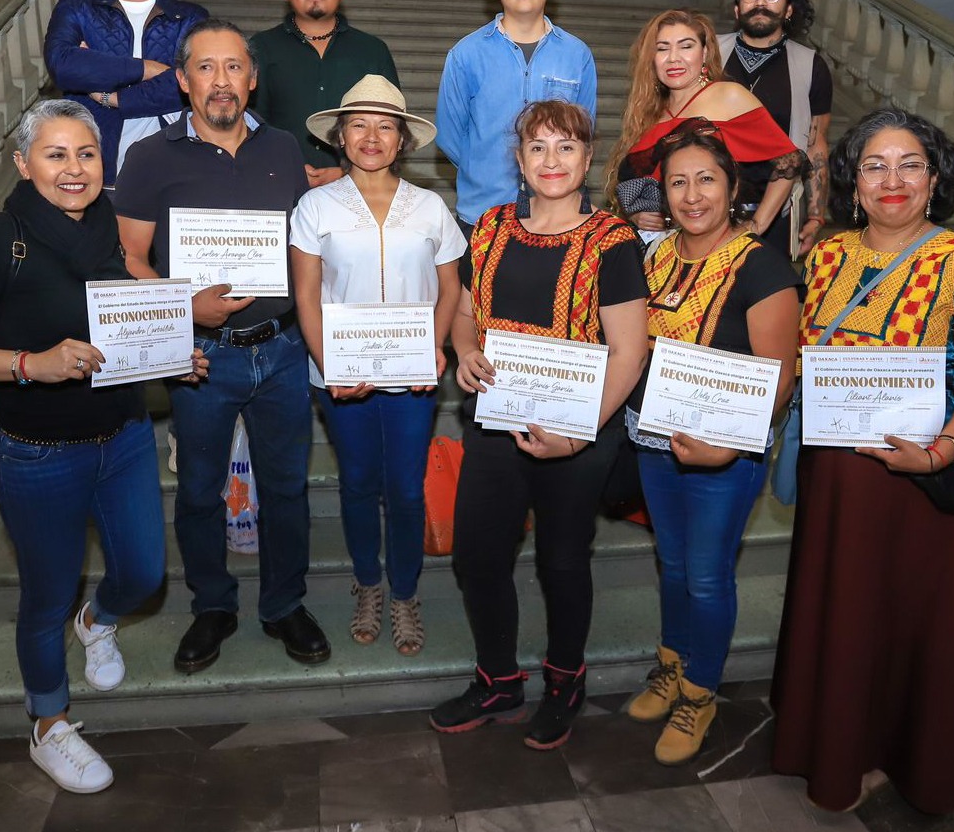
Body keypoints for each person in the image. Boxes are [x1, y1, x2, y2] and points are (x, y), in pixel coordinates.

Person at [0, 99, 207, 793]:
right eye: (56, 154)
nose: (74, 168)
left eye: (86, 153)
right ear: (24, 164)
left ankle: (97, 620)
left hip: (125, 437)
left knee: (143, 574)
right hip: (40, 450)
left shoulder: (113, 230)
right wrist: (30, 364)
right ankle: (49, 724)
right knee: (46, 597)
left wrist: (170, 354)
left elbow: (130, 321)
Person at [769, 109, 954, 814]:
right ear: (853, 182)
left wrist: (939, 453)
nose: (892, 180)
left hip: (919, 478)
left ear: (934, 179)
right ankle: (825, 750)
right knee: (837, 612)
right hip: (835, 477)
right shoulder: (825, 256)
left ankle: (905, 760)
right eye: (875, 166)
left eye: (910, 165)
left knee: (910, 620)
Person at [429, 100, 649, 750]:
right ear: (520, 161)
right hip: (496, 421)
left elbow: (629, 352)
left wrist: (580, 433)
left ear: (587, 158)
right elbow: (465, 314)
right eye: (538, 148)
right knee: (477, 556)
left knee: (562, 561)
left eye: (566, 147)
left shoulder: (612, 241)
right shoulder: (491, 228)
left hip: (579, 433)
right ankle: (497, 680)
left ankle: (564, 682)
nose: (551, 160)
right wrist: (464, 351)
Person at [112, 19, 330, 672]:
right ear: (183, 80)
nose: (221, 81)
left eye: (234, 66)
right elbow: (128, 258)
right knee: (200, 491)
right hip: (201, 357)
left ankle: (284, 605)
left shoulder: (283, 148)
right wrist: (185, 309)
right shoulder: (149, 157)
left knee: (286, 488)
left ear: (252, 78)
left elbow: (305, 246)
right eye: (205, 68)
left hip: (283, 350)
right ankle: (213, 606)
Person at [620, 120, 800, 765]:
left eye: (706, 180)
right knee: (671, 562)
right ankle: (671, 664)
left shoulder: (762, 265)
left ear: (732, 187)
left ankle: (700, 693)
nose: (692, 196)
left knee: (705, 573)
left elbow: (780, 373)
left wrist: (729, 444)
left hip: (727, 452)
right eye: (678, 183)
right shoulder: (655, 256)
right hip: (655, 438)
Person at [290, 75, 466, 656]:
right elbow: (306, 294)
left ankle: (405, 592)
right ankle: (368, 583)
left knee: (407, 490)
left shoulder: (431, 208)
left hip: (413, 377)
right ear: (340, 137)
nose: (372, 136)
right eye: (359, 125)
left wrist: (435, 348)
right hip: (342, 376)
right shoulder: (315, 206)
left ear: (401, 140)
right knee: (359, 483)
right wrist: (330, 366)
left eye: (385, 126)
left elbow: (450, 288)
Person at [436, 0, 598, 232]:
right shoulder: (465, 54)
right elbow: (449, 136)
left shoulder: (577, 55)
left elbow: (583, 132)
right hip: (483, 215)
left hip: (557, 217)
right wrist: (483, 169)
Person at [604, 9, 804, 255]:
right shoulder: (648, 113)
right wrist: (637, 214)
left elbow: (788, 162)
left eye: (686, 46)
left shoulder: (728, 96)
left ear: (705, 52)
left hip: (717, 245)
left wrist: (755, 226)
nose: (673, 58)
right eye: (662, 48)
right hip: (660, 249)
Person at [43, 0, 208, 184]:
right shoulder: (79, 8)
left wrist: (112, 96)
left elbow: (194, 84)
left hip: (171, 172)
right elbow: (63, 64)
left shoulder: (190, 18)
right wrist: (147, 69)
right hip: (91, 172)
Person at [252, 0, 400, 190]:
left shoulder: (372, 51)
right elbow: (250, 127)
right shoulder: (260, 48)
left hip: (358, 191)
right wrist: (284, 168)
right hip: (278, 189)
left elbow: (391, 128)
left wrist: (346, 172)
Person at [718, 0, 833, 256]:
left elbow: (815, 145)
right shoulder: (709, 53)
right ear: (737, 7)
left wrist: (816, 215)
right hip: (706, 207)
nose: (760, 2)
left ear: (789, 8)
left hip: (776, 213)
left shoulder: (810, 66)